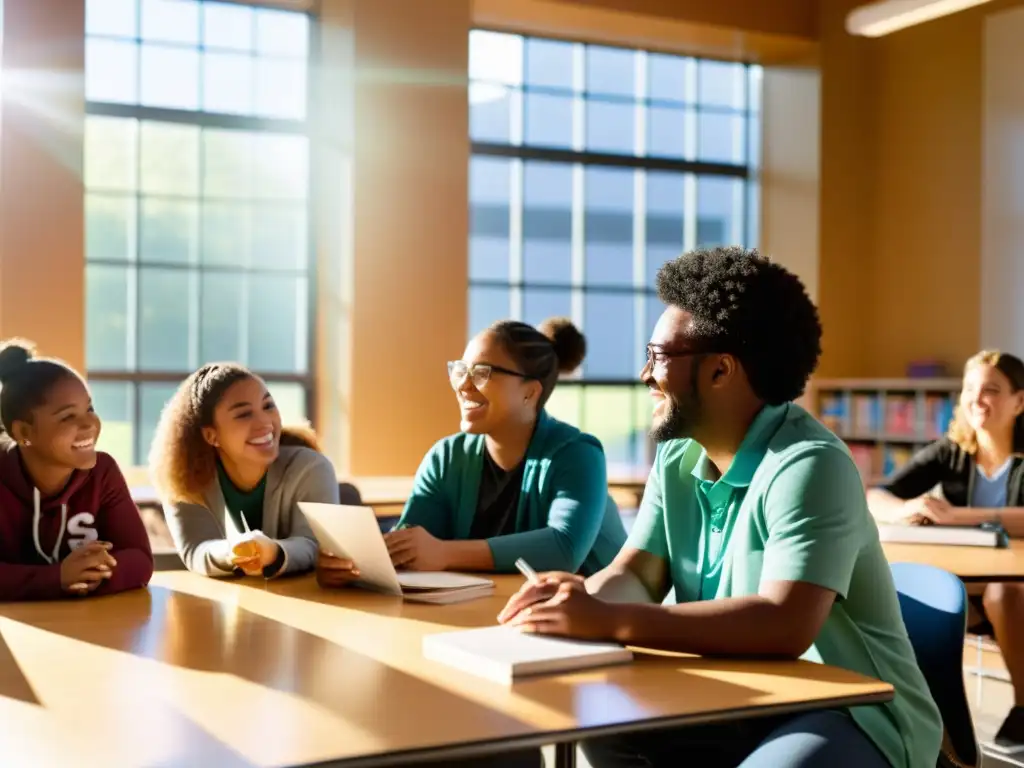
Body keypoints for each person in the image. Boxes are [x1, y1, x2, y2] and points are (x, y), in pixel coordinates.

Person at [497, 248, 942, 768]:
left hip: (854, 708)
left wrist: (609, 620)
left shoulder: (810, 465)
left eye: (658, 355)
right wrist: (578, 600)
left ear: (720, 370)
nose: (644, 374)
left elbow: (784, 624)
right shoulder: (677, 453)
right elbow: (637, 572)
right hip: (732, 692)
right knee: (607, 729)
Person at [318, 318, 626, 590]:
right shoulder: (446, 458)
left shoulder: (578, 454)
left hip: (594, 625)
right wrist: (357, 565)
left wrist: (444, 553)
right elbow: (414, 544)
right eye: (460, 370)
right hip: (497, 616)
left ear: (529, 392)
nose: (463, 385)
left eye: (482, 372)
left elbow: (563, 548)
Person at [867, 349, 1024, 749]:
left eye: (991, 389)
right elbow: (875, 494)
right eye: (970, 388)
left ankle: (1022, 708)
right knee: (917, 597)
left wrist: (957, 516)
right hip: (967, 589)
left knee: (1004, 592)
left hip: (1013, 588)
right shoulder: (951, 451)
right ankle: (931, 722)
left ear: (1019, 401)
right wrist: (906, 508)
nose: (976, 398)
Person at [150, 362, 337, 579]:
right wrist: (233, 551)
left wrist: (273, 553)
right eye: (244, 414)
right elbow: (195, 550)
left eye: (268, 406)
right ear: (211, 435)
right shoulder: (185, 478)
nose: (265, 423)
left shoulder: (312, 468)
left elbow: (316, 545)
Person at [0, 339, 153, 600]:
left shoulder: (102, 472)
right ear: (24, 432)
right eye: (68, 416)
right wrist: (57, 578)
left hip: (84, 626)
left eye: (89, 408)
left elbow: (140, 560)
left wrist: (88, 577)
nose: (89, 423)